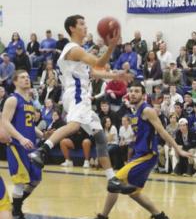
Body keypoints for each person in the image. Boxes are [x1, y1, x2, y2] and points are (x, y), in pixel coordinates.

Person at [29, 14, 132, 189]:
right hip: (76, 93)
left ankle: (111, 179)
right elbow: (99, 63)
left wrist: (116, 75)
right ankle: (42, 150)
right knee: (75, 125)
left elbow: (94, 73)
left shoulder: (79, 50)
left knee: (100, 137)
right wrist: (112, 46)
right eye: (82, 24)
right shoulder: (74, 49)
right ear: (72, 28)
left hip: (80, 95)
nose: (86, 27)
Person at [84, 82, 193, 219]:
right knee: (134, 193)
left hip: (147, 155)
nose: (133, 93)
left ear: (143, 94)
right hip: (139, 155)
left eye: (137, 91)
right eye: (132, 91)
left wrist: (178, 151)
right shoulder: (135, 111)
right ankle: (159, 217)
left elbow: (162, 132)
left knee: (114, 182)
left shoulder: (147, 110)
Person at [1, 70, 43, 219]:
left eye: (27, 77)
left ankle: (15, 206)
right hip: (17, 146)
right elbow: (5, 122)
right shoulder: (12, 99)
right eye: (23, 78)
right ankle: (17, 214)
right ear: (15, 82)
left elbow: (29, 124)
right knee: (20, 182)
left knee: (36, 179)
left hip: (31, 146)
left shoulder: (29, 101)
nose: (27, 79)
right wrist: (20, 138)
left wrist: (42, 134)